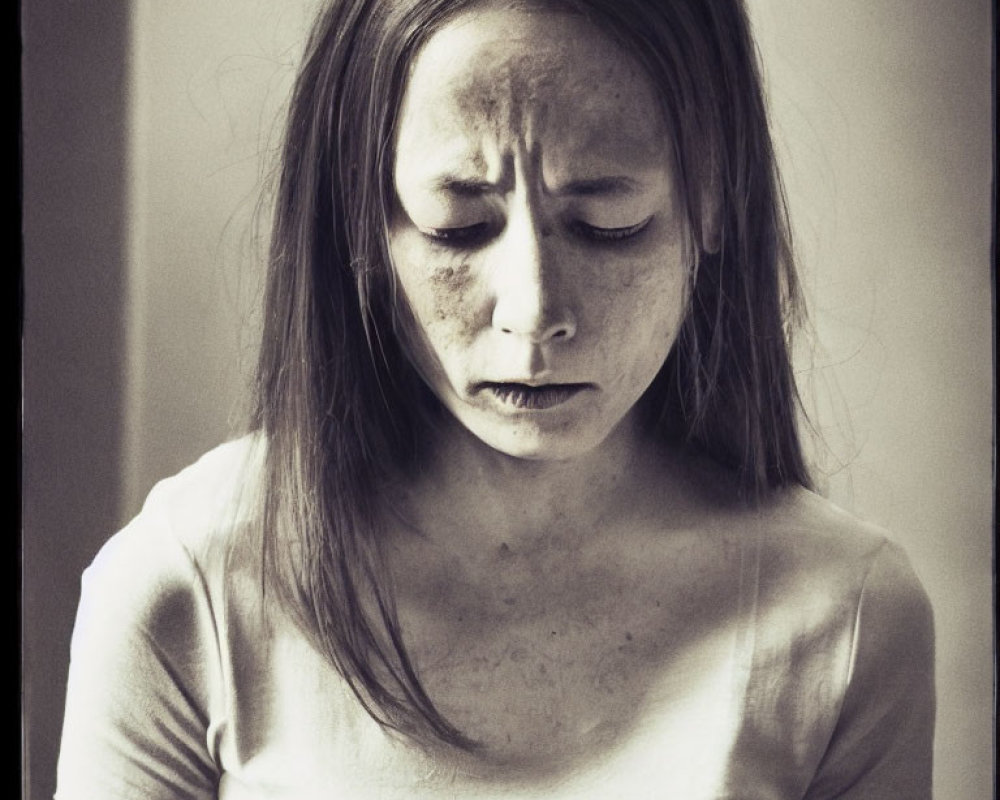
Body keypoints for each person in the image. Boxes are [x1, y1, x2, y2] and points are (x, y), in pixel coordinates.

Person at [55, 0, 936, 797]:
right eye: (458, 226)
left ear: (712, 204)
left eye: (609, 223)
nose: (535, 311)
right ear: (363, 221)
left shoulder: (846, 615)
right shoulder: (187, 585)